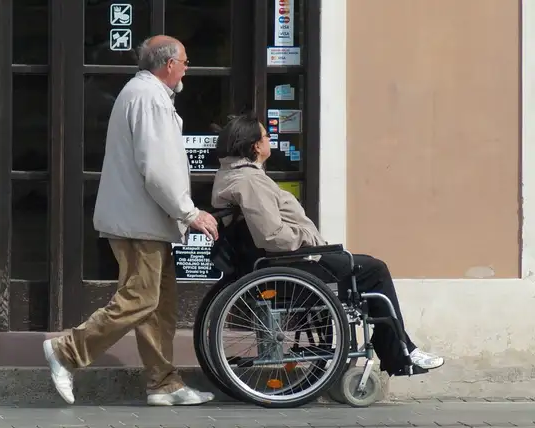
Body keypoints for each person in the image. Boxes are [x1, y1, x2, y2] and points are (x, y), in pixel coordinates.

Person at [42, 35, 221, 406]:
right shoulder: (149, 98)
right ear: (168, 64)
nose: (188, 67)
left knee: (159, 305)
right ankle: (66, 351)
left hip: (145, 221)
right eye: (185, 61)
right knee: (140, 299)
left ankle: (164, 384)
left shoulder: (147, 95)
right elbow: (158, 169)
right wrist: (189, 212)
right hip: (139, 222)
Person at [210, 113, 445, 377]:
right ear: (255, 146)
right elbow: (272, 236)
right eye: (266, 136)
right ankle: (400, 351)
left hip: (283, 264)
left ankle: (398, 348)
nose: (269, 140)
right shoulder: (250, 181)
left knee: (364, 266)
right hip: (289, 264)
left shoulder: (234, 175)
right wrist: (308, 239)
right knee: (374, 270)